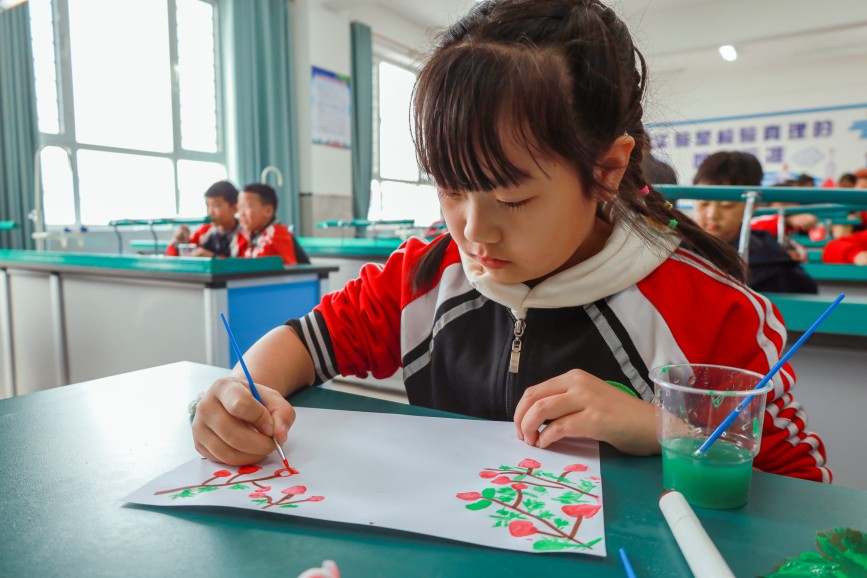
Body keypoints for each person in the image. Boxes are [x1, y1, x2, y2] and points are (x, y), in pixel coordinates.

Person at [192, 0, 828, 483]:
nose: (473, 229)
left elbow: (803, 484)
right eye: (450, 188)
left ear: (606, 170)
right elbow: (307, 341)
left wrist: (662, 426)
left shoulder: (709, 307)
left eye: (514, 199)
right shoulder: (425, 274)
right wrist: (241, 393)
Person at [692, 152, 818, 294]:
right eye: (703, 202)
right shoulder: (674, 252)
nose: (712, 214)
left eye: (727, 204)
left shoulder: (777, 267)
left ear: (754, 205)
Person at [166, 180, 246, 258]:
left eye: (216, 205)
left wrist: (214, 258)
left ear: (234, 207)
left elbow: (242, 266)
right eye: (208, 206)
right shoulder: (204, 231)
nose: (210, 212)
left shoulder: (245, 235)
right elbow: (171, 255)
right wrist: (178, 243)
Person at [237, 183, 309, 265]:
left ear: (268, 211)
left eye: (247, 206)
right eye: (239, 208)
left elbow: (257, 267)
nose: (241, 213)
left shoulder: (276, 234)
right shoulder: (252, 235)